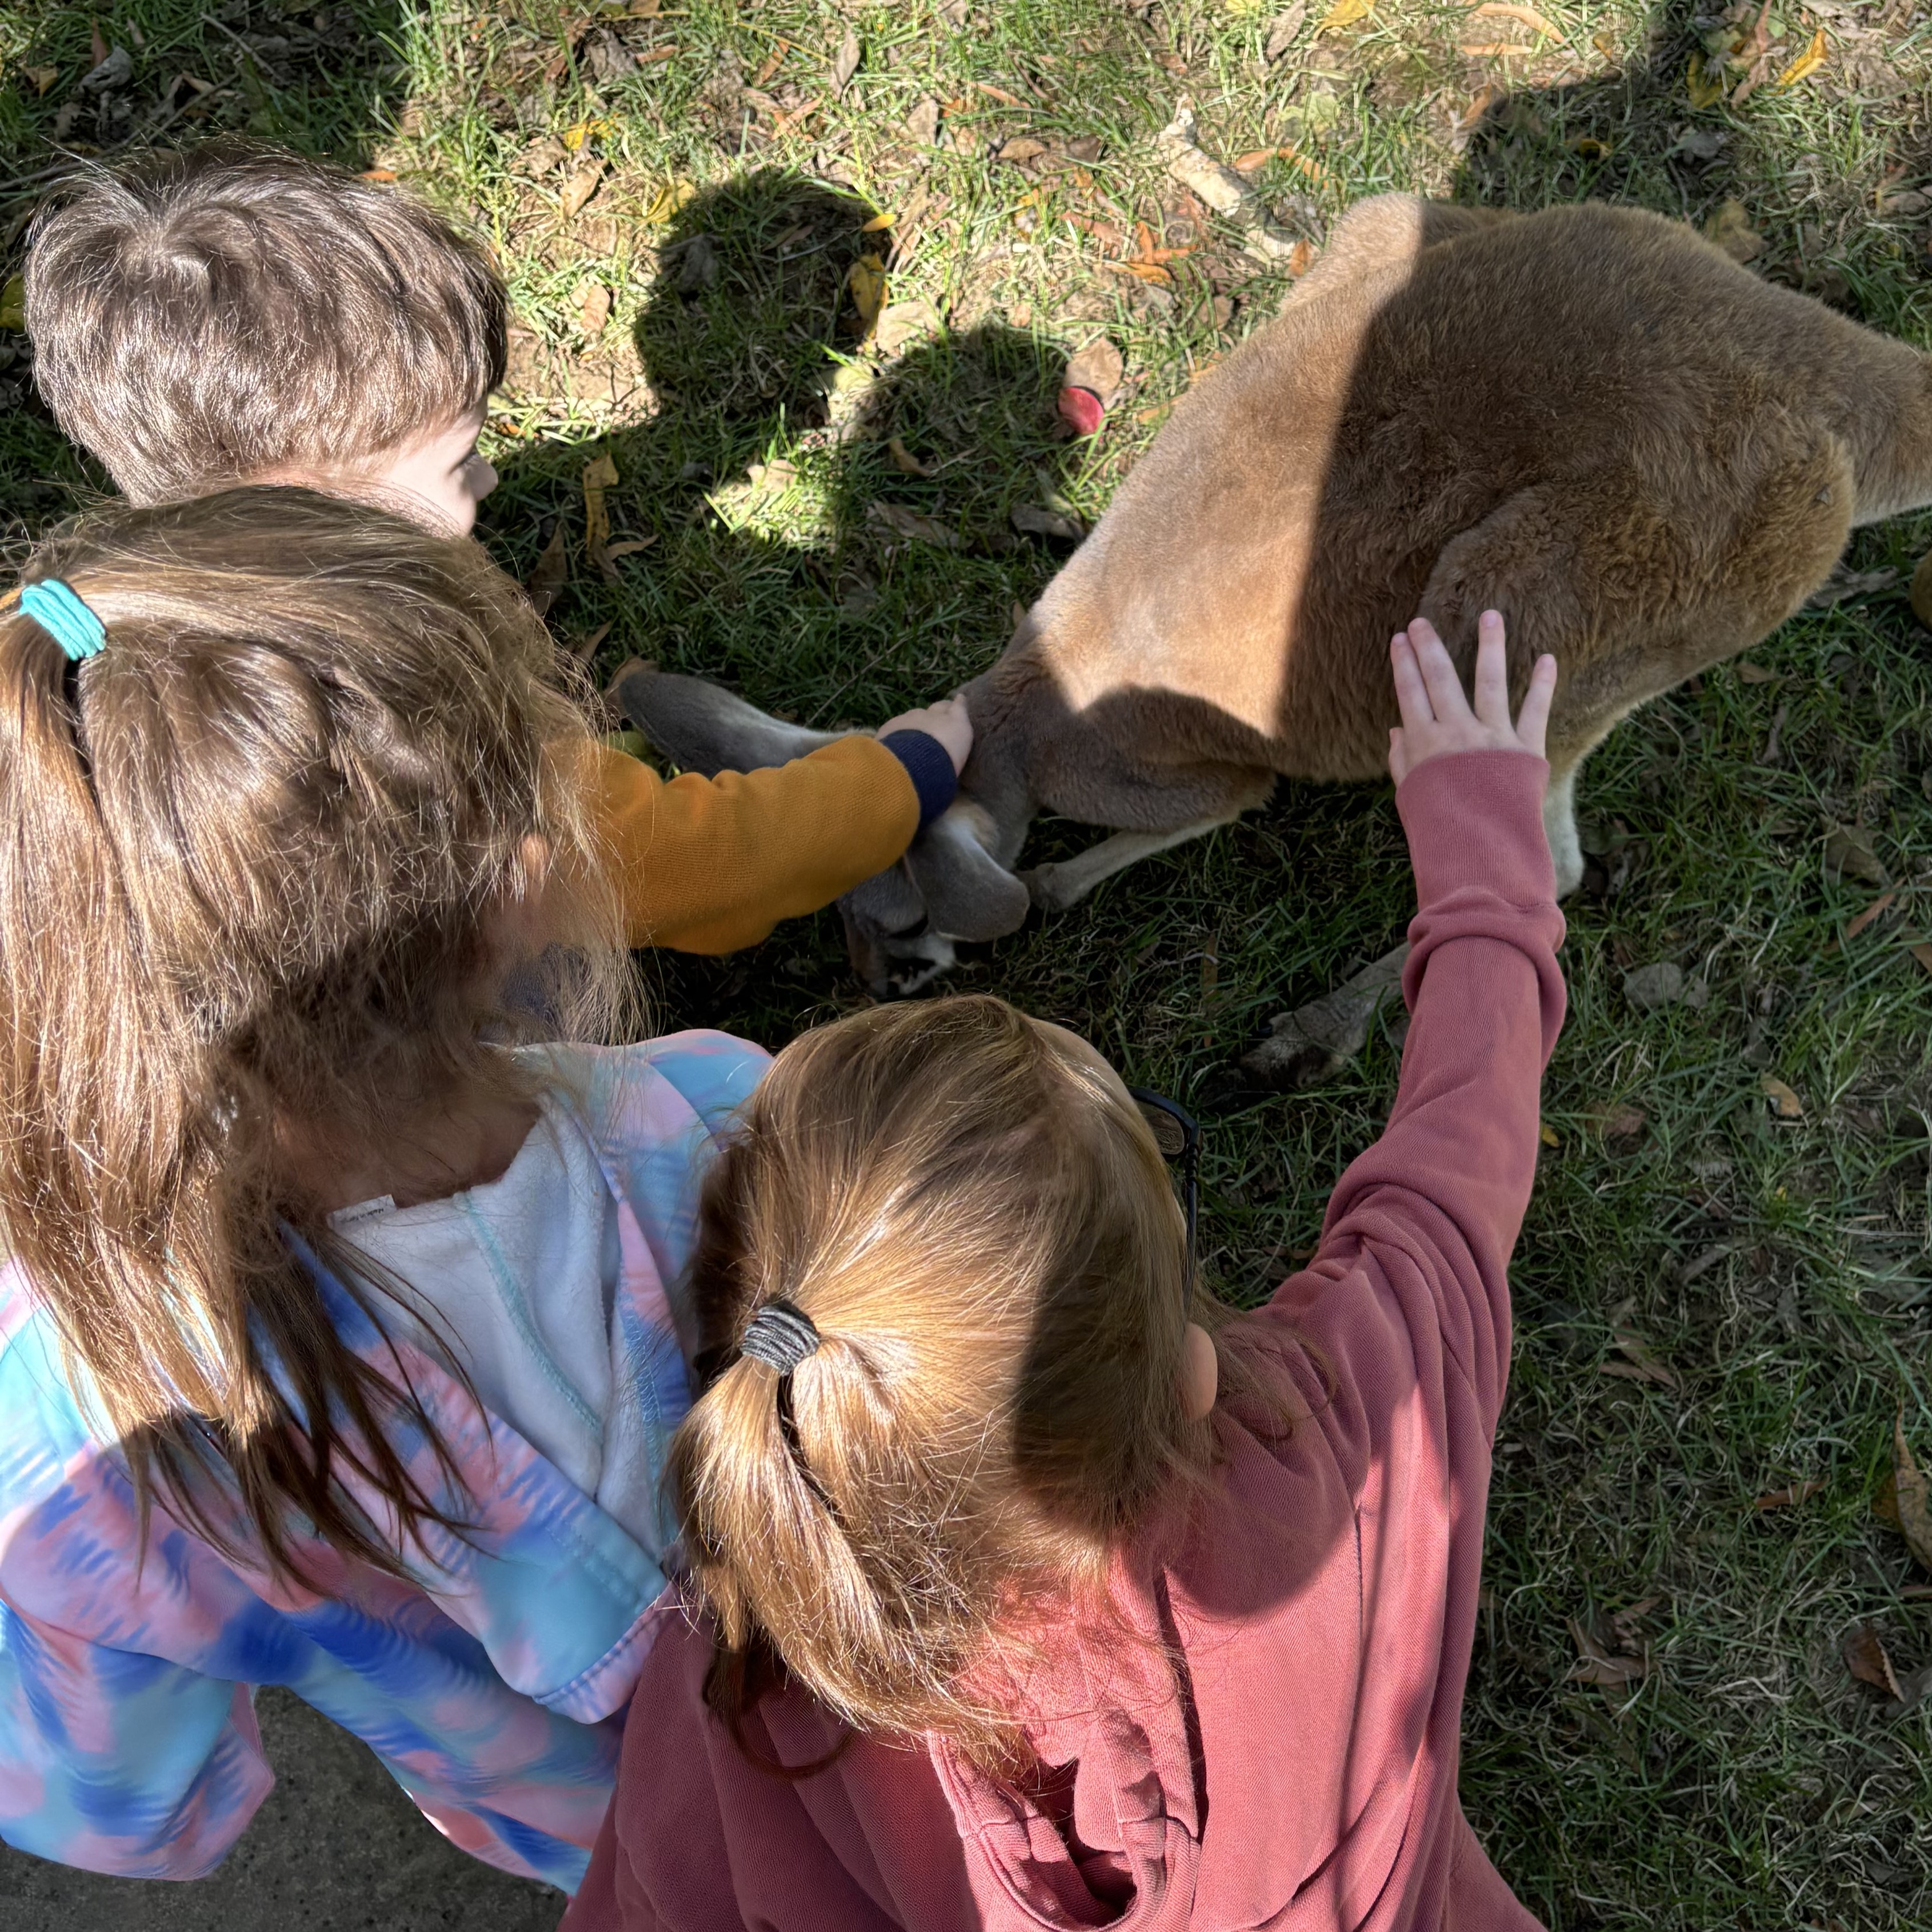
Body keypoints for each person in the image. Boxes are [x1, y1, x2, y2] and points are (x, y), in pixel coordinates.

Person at [563, 611, 1565, 1932]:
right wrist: (1483, 850)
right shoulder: (1338, 1430)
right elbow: (1456, 1161)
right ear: (1189, 1369)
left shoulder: (748, 1685)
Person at [0, 486, 775, 1889]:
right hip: (853, 1746)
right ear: (520, 887)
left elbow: (126, 1807)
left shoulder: (69, 1422)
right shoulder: (731, 1117)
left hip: (589, 1840)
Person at [22, 138, 970, 955]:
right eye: (462, 460)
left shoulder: (57, 635)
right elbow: (683, 863)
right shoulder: (412, 721)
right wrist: (903, 775)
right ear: (315, 506)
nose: (490, 483)